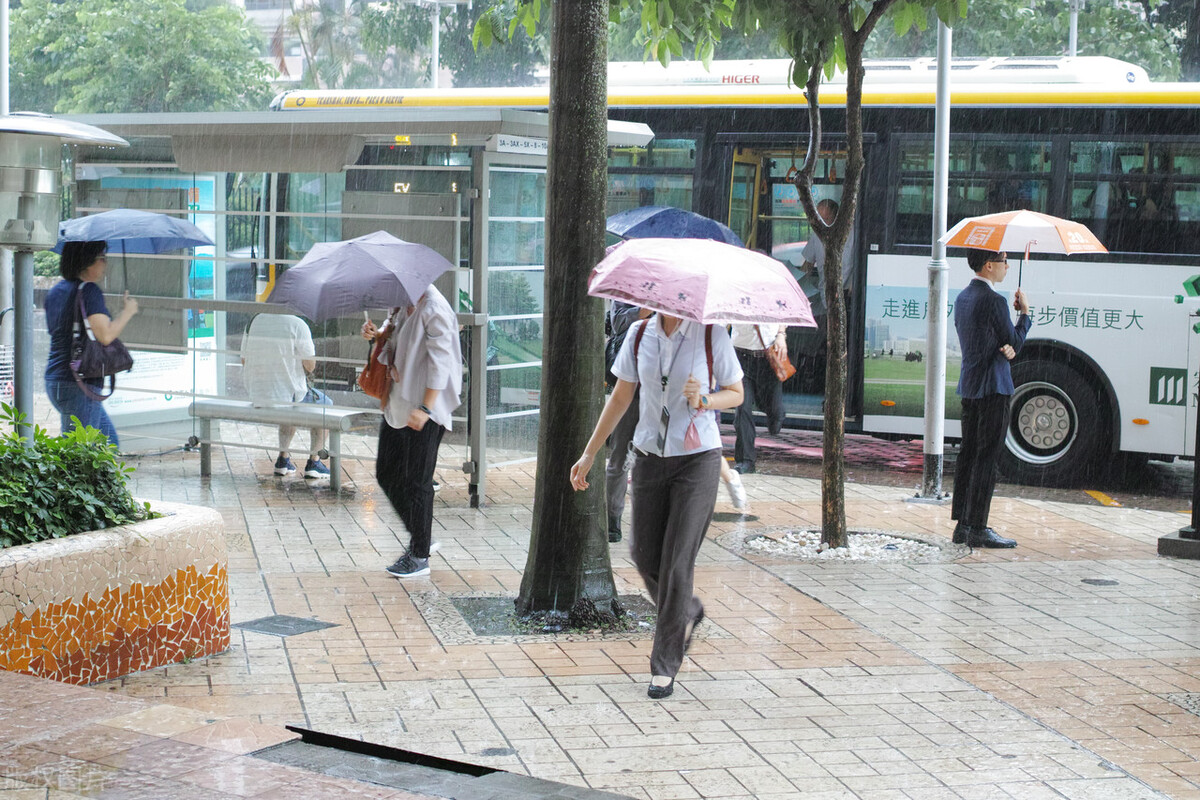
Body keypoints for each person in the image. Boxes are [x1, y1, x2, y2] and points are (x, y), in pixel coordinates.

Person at [570, 311, 744, 699]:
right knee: (644, 555)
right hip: (649, 457)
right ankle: (687, 610)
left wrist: (706, 398)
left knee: (677, 560)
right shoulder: (637, 335)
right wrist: (588, 455)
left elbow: (737, 392)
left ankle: (664, 664)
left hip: (698, 458)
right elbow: (620, 396)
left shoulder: (710, 334)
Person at [362, 284, 462, 579]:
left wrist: (426, 408)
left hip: (425, 407)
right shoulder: (400, 304)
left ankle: (419, 555)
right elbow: (391, 334)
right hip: (399, 402)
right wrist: (377, 335)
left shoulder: (433, 308)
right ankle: (422, 536)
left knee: (417, 481)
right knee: (386, 472)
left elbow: (441, 363)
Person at [950, 249, 1031, 549]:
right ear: (989, 265)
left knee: (968, 455)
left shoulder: (963, 298)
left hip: (970, 386)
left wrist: (1006, 345)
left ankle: (962, 525)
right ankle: (978, 527)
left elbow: (990, 340)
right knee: (987, 458)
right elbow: (1015, 341)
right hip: (994, 387)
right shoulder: (995, 301)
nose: (1007, 267)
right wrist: (1024, 314)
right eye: (1004, 262)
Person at [43, 241, 138, 448]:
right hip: (79, 383)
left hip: (56, 381)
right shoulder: (89, 291)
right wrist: (128, 312)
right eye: (102, 258)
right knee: (79, 454)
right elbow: (105, 335)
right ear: (86, 262)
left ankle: (102, 480)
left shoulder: (56, 291)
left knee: (109, 444)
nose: (105, 263)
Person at [240, 313, 330, 479]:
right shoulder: (298, 324)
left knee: (289, 401)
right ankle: (315, 462)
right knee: (325, 405)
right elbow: (310, 366)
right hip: (287, 396)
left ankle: (283, 459)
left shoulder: (254, 320)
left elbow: (244, 360)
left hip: (258, 393)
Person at [605, 301, 650, 542]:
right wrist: (642, 311)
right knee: (620, 457)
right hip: (630, 388)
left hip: (664, 393)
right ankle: (612, 520)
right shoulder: (628, 287)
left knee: (659, 459)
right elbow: (617, 324)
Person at [729, 322, 787, 475]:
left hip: (769, 356)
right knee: (742, 408)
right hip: (740, 356)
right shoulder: (735, 297)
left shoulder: (773, 297)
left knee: (773, 409)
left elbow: (784, 313)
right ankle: (745, 461)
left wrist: (781, 335)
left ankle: (776, 413)